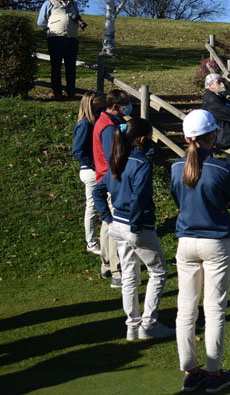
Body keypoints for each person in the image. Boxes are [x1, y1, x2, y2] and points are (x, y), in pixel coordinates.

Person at [171, 109, 230, 393]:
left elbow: (179, 200)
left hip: (186, 241)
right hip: (215, 241)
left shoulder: (176, 167)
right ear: (211, 135)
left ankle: (191, 371)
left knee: (186, 310)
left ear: (188, 137)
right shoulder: (221, 168)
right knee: (213, 310)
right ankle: (213, 374)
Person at [93, 118, 174, 341]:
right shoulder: (142, 163)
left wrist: (108, 218)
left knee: (129, 276)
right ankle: (149, 323)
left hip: (118, 224)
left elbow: (98, 192)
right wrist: (136, 224)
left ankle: (132, 325)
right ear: (142, 139)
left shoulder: (117, 160)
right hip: (135, 225)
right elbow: (140, 197)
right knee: (158, 272)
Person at [93, 89, 132, 288]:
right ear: (115, 106)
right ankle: (117, 270)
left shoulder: (107, 122)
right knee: (115, 225)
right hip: (111, 178)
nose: (129, 107)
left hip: (106, 176)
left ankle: (107, 265)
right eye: (126, 104)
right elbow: (113, 156)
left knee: (107, 225)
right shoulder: (108, 127)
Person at [37, 0, 87, 100]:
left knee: (71, 68)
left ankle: (71, 92)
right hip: (56, 39)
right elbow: (41, 21)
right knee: (56, 66)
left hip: (72, 39)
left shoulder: (72, 3)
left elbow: (76, 17)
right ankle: (57, 92)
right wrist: (49, 31)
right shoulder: (50, 2)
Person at [72, 92, 105, 255]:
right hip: (90, 171)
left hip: (93, 169)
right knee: (92, 206)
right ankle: (91, 242)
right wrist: (94, 165)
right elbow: (77, 150)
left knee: (97, 204)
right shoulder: (85, 125)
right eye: (100, 106)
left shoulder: (91, 123)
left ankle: (102, 238)